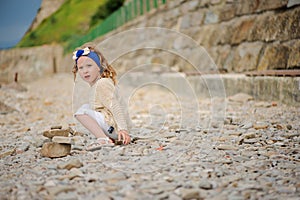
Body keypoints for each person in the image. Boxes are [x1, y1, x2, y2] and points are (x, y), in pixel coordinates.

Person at [72, 42, 131, 150]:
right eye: (81, 68)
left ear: (99, 67)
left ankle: (104, 139)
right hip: (114, 128)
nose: (85, 71)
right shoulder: (96, 85)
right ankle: (109, 137)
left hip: (117, 129)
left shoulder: (102, 83)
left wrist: (123, 129)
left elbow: (115, 106)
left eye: (89, 66)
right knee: (86, 107)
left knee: (81, 111)